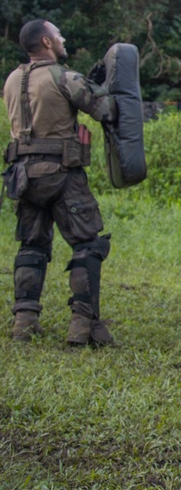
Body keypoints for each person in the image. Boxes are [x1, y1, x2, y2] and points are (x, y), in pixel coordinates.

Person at [4, 19, 116, 345]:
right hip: (62, 174)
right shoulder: (64, 76)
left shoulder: (11, 79)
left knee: (32, 246)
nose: (62, 38)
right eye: (58, 35)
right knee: (88, 244)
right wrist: (99, 86)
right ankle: (82, 325)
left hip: (22, 176)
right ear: (47, 41)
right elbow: (105, 109)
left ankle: (24, 322)